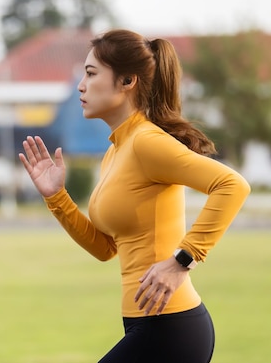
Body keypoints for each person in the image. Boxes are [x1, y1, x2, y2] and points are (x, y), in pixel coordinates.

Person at [18, 28, 251, 363]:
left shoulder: (146, 142)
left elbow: (232, 185)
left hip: (170, 328)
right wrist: (57, 197)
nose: (81, 86)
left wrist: (182, 261)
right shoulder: (116, 151)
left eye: (91, 73)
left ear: (127, 81)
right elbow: (105, 248)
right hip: (146, 325)